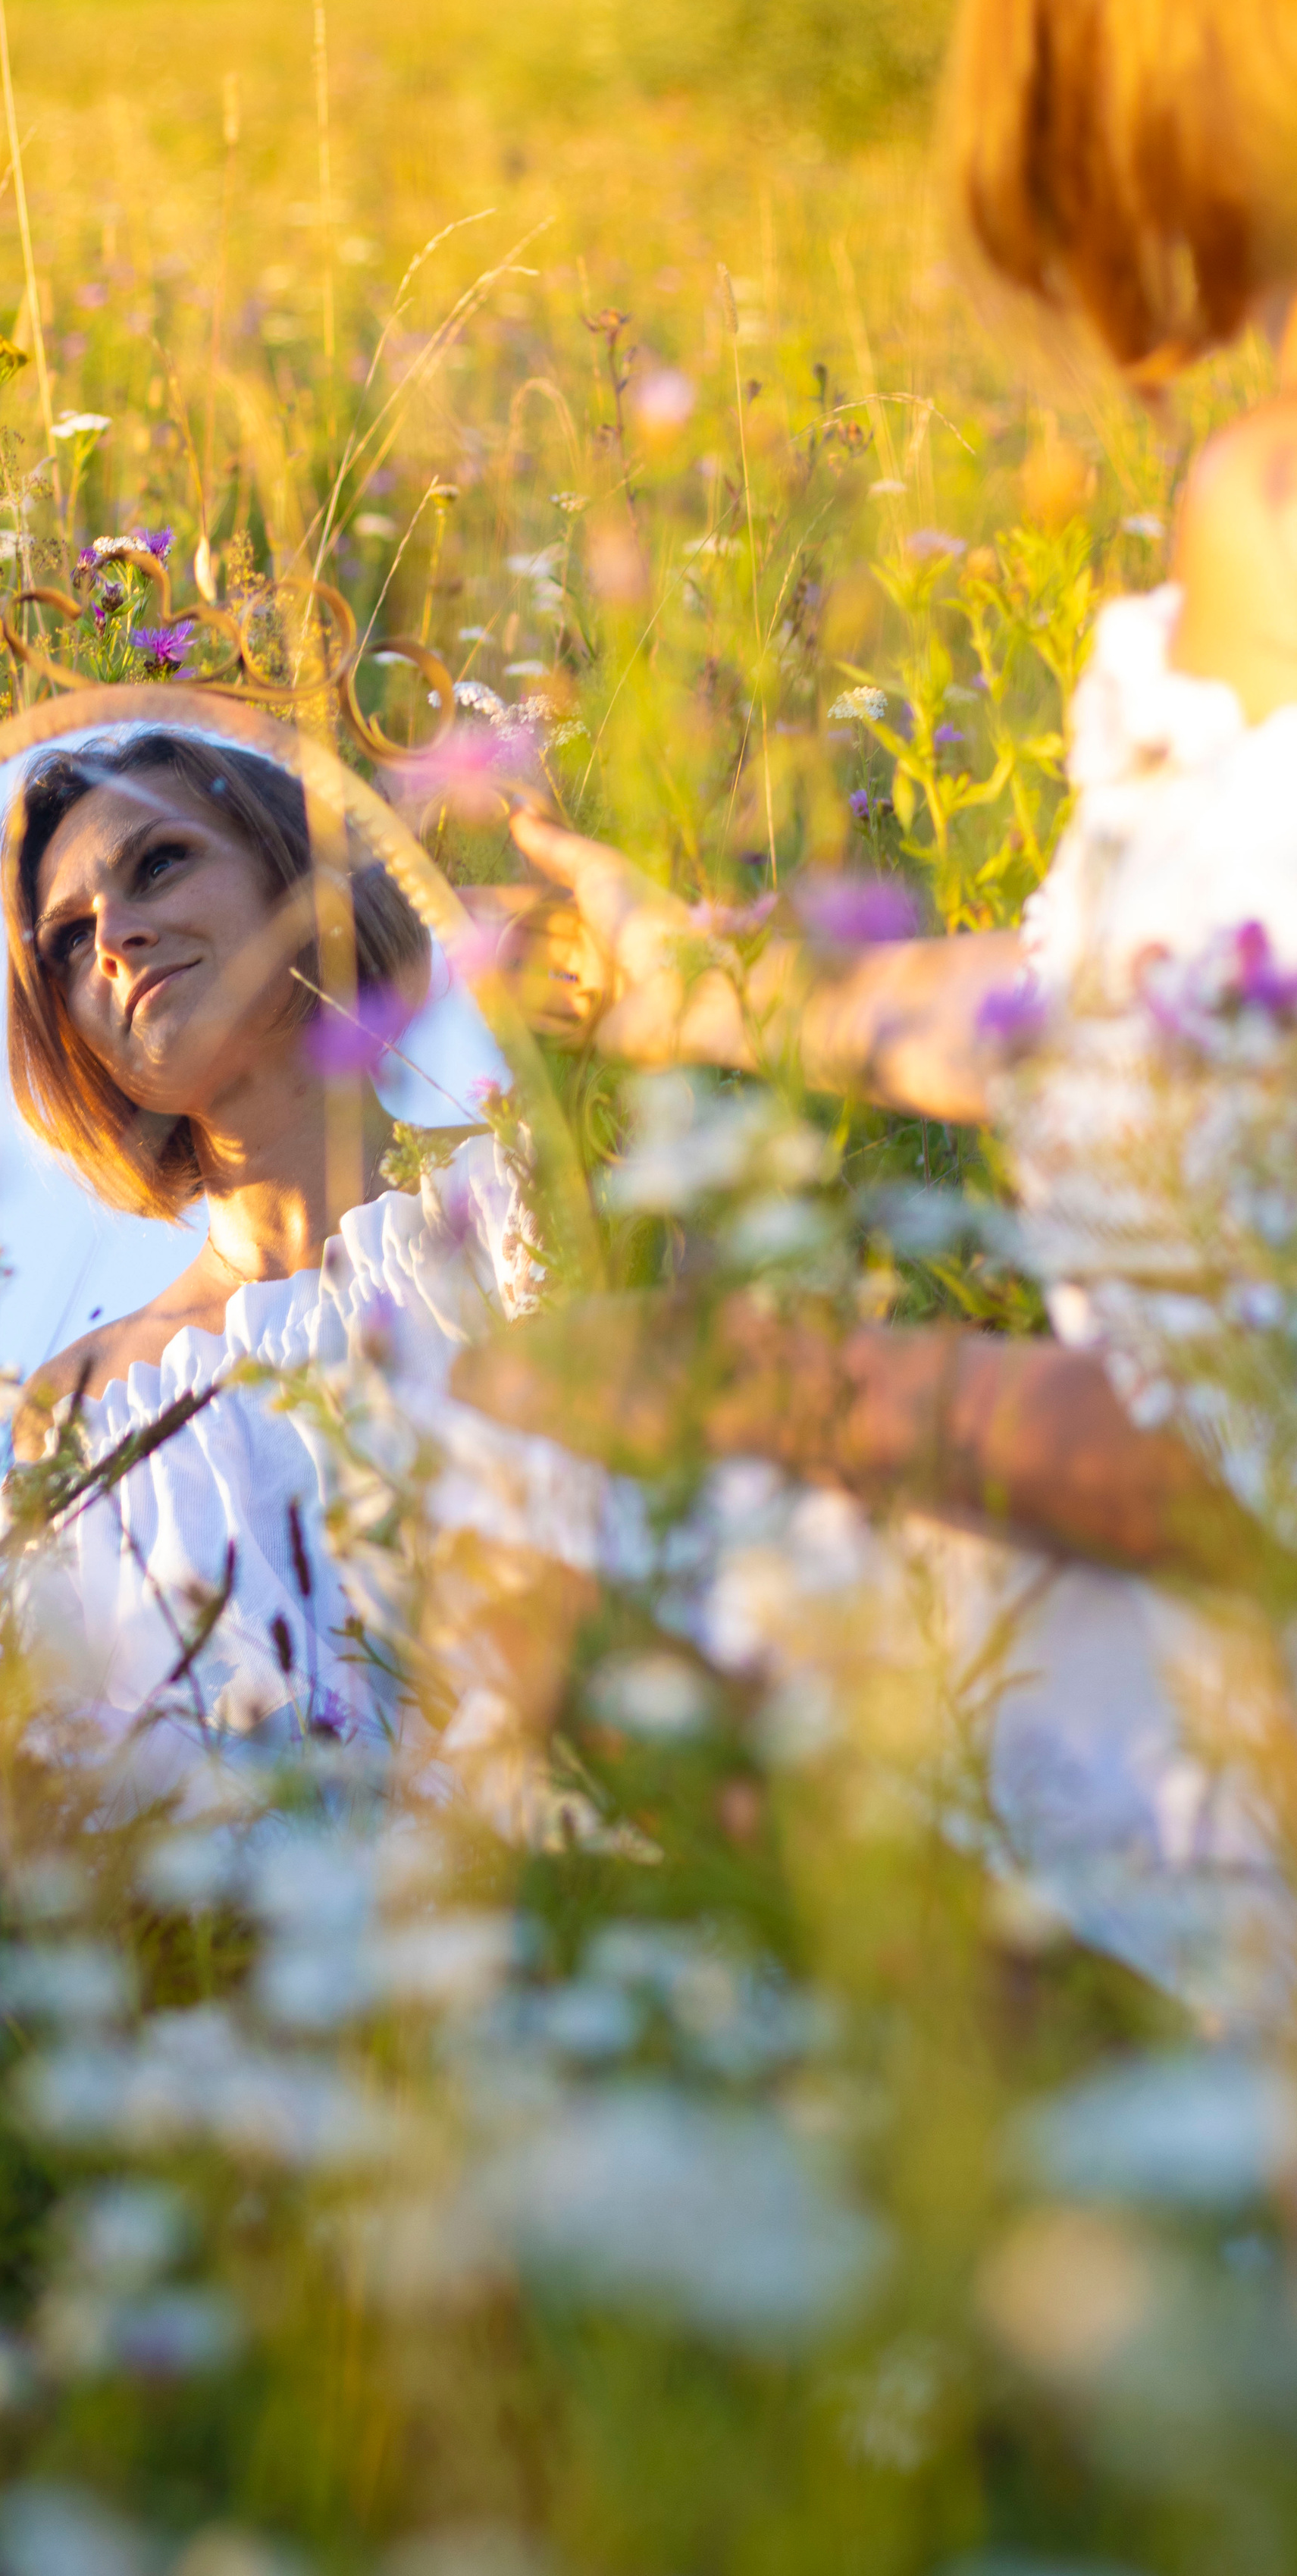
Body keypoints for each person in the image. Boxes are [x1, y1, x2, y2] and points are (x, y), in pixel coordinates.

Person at [458, 0, 1297, 2017]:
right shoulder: (1257, 516)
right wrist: (720, 986)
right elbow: (1171, 1007)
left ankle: (1068, 2246)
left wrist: (770, 1381)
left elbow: (1249, 1459)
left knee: (557, 1499)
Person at [0, 729, 634, 1812]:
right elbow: (60, 1800)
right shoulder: (78, 1408)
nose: (116, 938)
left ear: (294, 874)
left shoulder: (526, 1200)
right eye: (66, 938)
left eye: (157, 863)